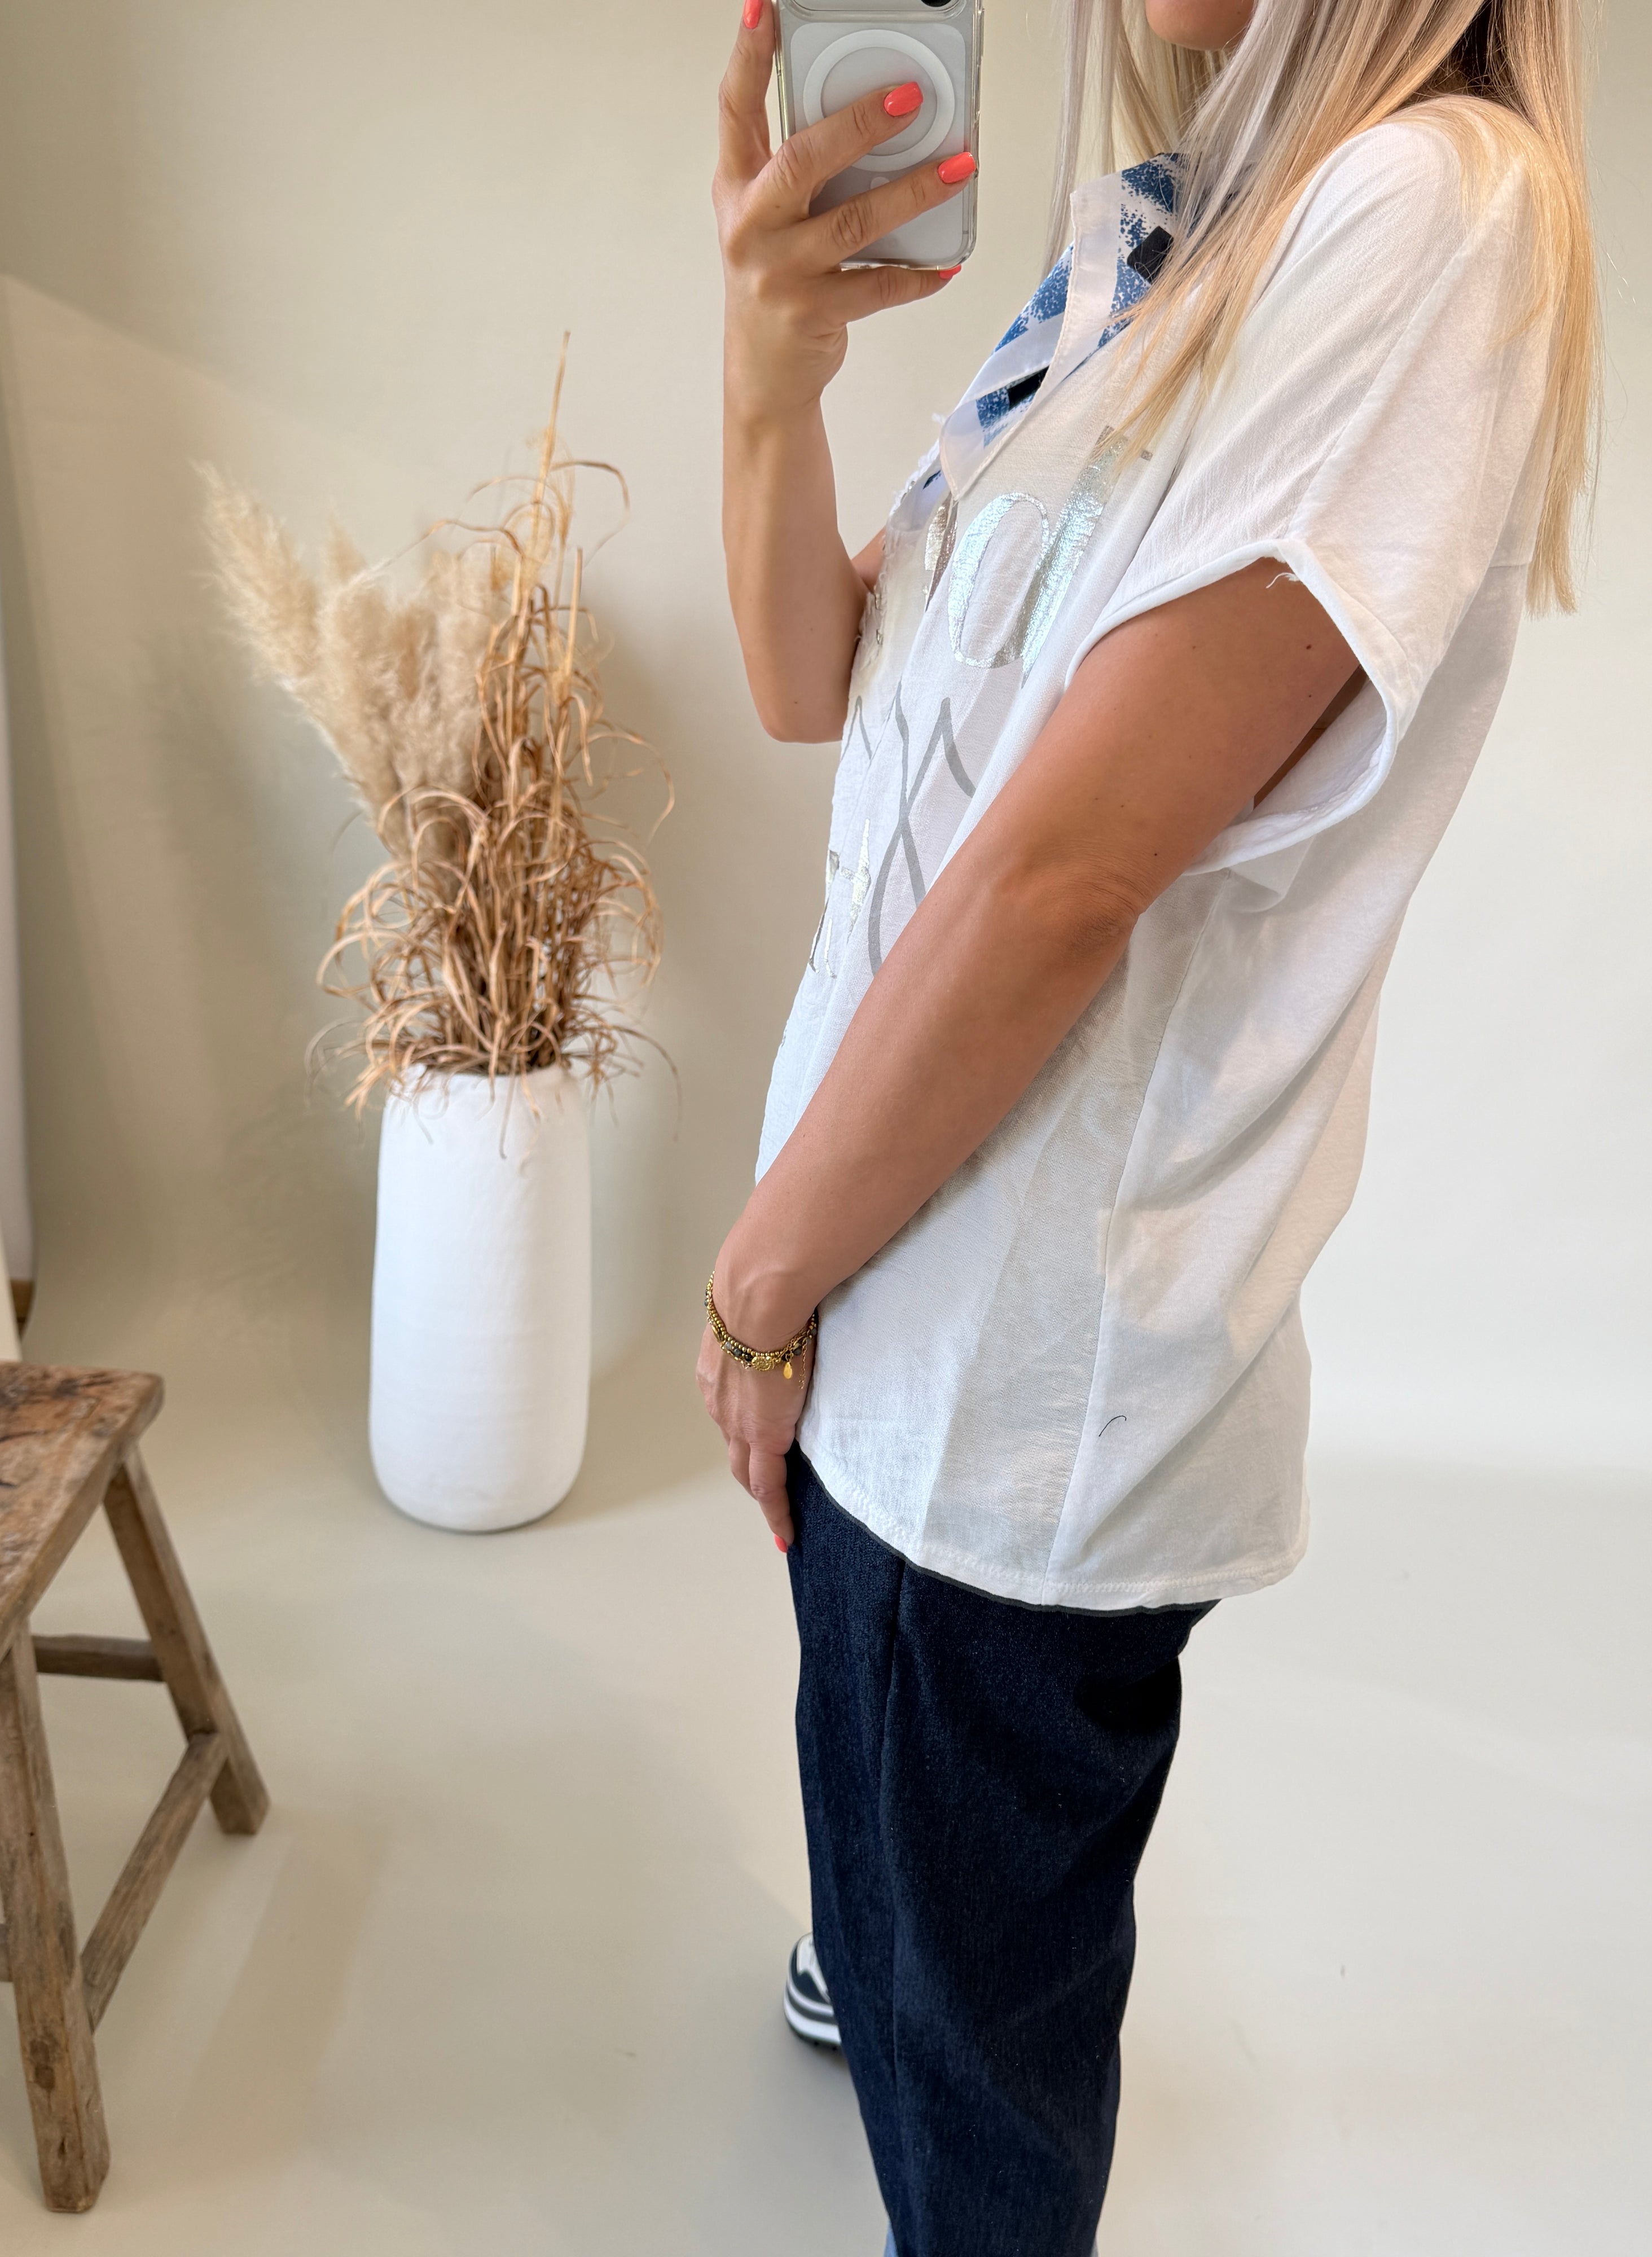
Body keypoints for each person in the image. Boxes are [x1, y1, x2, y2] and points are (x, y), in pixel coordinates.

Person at [701, 0, 1600, 2250]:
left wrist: (761, 1280)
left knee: (978, 2091)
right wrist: (766, 370)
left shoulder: (1426, 211)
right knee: (897, 1869)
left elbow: (1063, 879)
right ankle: (882, 1955)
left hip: (1008, 1360)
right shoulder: (1162, 240)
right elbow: (823, 673)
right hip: (875, 1274)